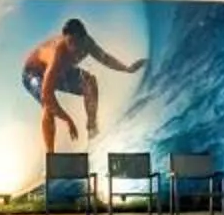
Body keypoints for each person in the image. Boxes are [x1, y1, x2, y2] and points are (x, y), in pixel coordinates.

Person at [19, 18, 144, 150]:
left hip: (60, 72)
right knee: (47, 106)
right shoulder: (58, 52)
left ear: (83, 38)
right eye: (69, 43)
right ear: (65, 39)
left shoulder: (88, 44)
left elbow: (105, 59)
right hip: (33, 73)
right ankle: (51, 156)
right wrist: (68, 120)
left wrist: (127, 69)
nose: (73, 47)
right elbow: (46, 95)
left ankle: (92, 128)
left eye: (76, 42)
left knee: (90, 82)